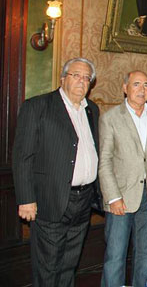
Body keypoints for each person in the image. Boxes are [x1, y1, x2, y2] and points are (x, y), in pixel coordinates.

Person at [12, 58, 100, 287]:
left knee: (70, 263)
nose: (82, 81)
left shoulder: (92, 110)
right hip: (51, 199)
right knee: (49, 265)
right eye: (76, 75)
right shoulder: (38, 106)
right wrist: (26, 199)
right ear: (63, 78)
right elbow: (22, 157)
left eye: (86, 78)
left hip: (83, 201)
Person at [98, 71, 147, 287]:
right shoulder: (110, 118)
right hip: (120, 198)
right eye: (136, 84)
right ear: (125, 88)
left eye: (146, 85)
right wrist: (113, 197)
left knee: (146, 256)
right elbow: (105, 161)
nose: (142, 90)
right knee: (115, 256)